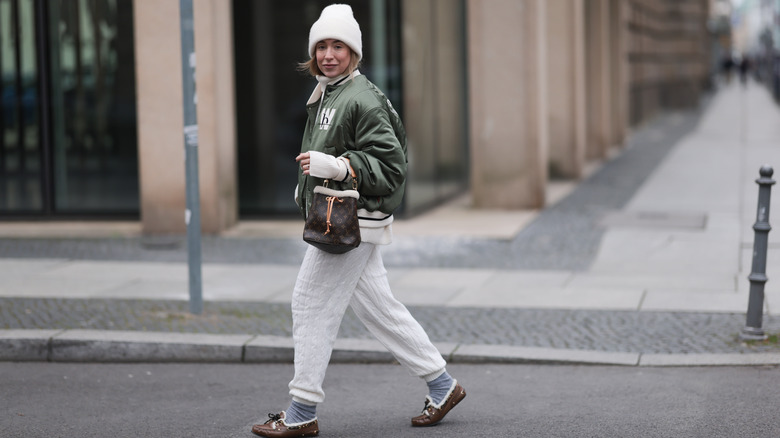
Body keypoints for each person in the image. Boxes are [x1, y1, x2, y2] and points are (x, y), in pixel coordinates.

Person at [251, 4, 466, 437]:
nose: (329, 54)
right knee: (379, 309)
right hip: (349, 219)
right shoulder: (330, 92)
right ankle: (442, 385)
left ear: (354, 51)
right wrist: (307, 186)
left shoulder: (360, 97)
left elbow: (392, 168)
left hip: (352, 222)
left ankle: (301, 411)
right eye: (322, 46)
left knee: (309, 303)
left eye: (339, 46)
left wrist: (337, 167)